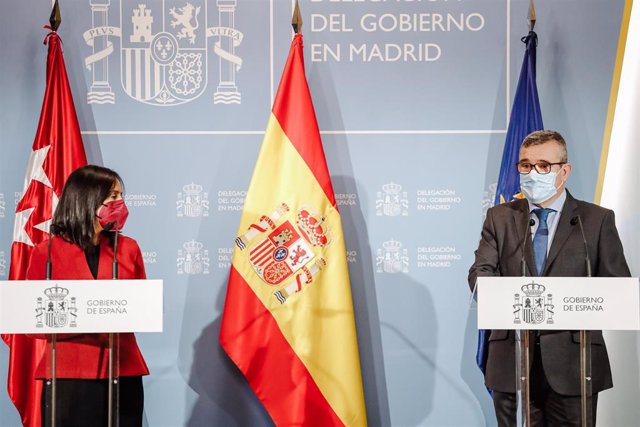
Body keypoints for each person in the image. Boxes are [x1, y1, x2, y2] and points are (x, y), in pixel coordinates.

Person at [468, 130, 630, 426]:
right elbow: (480, 275)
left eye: (544, 165)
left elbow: (618, 289)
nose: (533, 173)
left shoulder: (595, 220)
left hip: (573, 364)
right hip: (512, 361)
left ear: (564, 171)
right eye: (526, 165)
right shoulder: (500, 218)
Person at [26, 165, 149, 426]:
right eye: (113, 196)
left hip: (122, 368)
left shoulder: (128, 249)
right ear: (86, 198)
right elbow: (31, 321)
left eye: (120, 196)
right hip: (68, 374)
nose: (120, 203)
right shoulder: (45, 252)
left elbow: (141, 309)